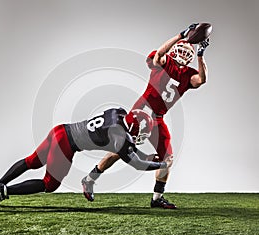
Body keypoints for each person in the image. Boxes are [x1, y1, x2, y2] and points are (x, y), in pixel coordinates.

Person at [81, 23, 210, 209]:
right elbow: (159, 54)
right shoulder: (164, 62)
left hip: (158, 117)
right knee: (123, 149)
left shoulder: (188, 74)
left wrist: (200, 55)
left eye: (187, 51)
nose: (183, 53)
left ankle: (157, 198)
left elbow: (202, 80)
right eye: (181, 49)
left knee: (168, 158)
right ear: (175, 49)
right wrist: (180, 35)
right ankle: (89, 179)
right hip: (142, 110)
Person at [0, 108, 173, 211]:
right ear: (132, 129)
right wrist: (161, 164)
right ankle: (3, 190)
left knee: (32, 161)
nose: (143, 136)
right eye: (142, 132)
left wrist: (147, 157)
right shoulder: (120, 138)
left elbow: (130, 151)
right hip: (66, 144)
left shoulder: (119, 112)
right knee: (50, 184)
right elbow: (137, 163)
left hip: (61, 130)